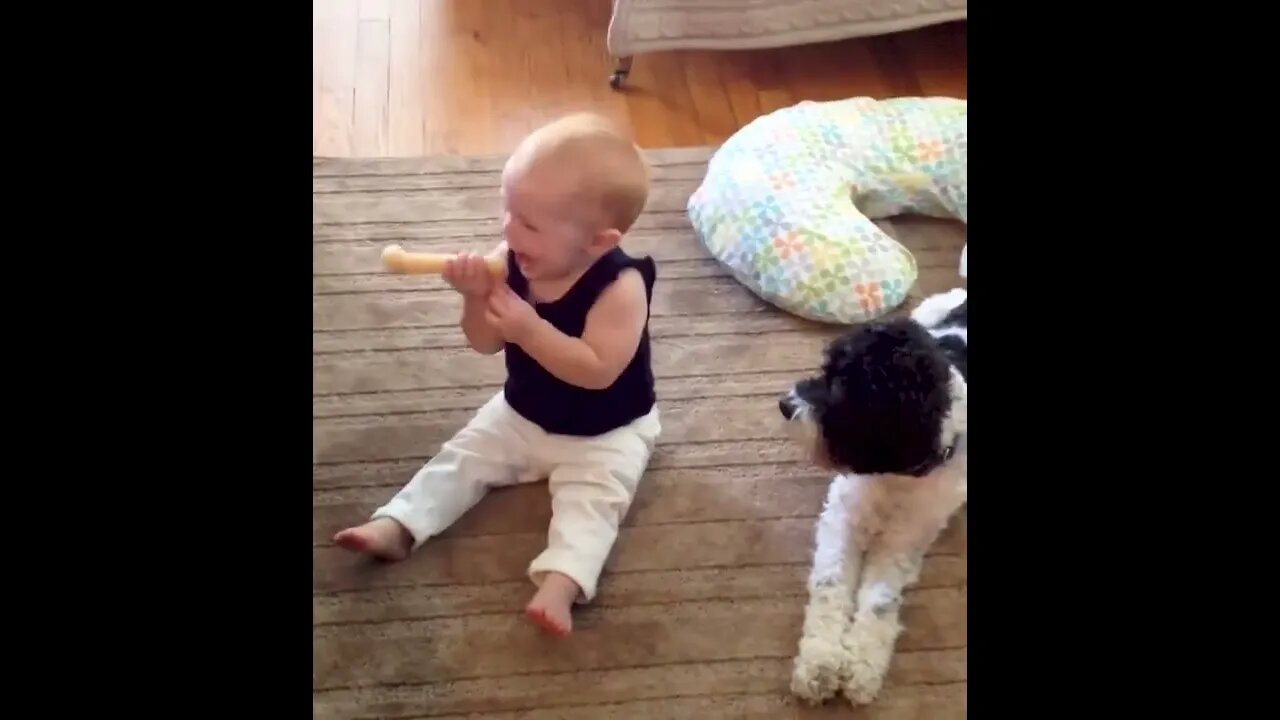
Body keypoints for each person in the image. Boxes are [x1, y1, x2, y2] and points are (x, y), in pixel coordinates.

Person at [332, 113, 660, 637]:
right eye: (509, 210)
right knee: (460, 459)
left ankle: (561, 582)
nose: (508, 230)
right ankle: (399, 524)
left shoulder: (620, 286)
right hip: (522, 413)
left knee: (595, 503)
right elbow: (485, 344)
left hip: (608, 430)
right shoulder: (509, 261)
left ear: (598, 241)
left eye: (529, 223)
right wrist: (474, 298)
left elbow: (598, 371)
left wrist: (531, 330)